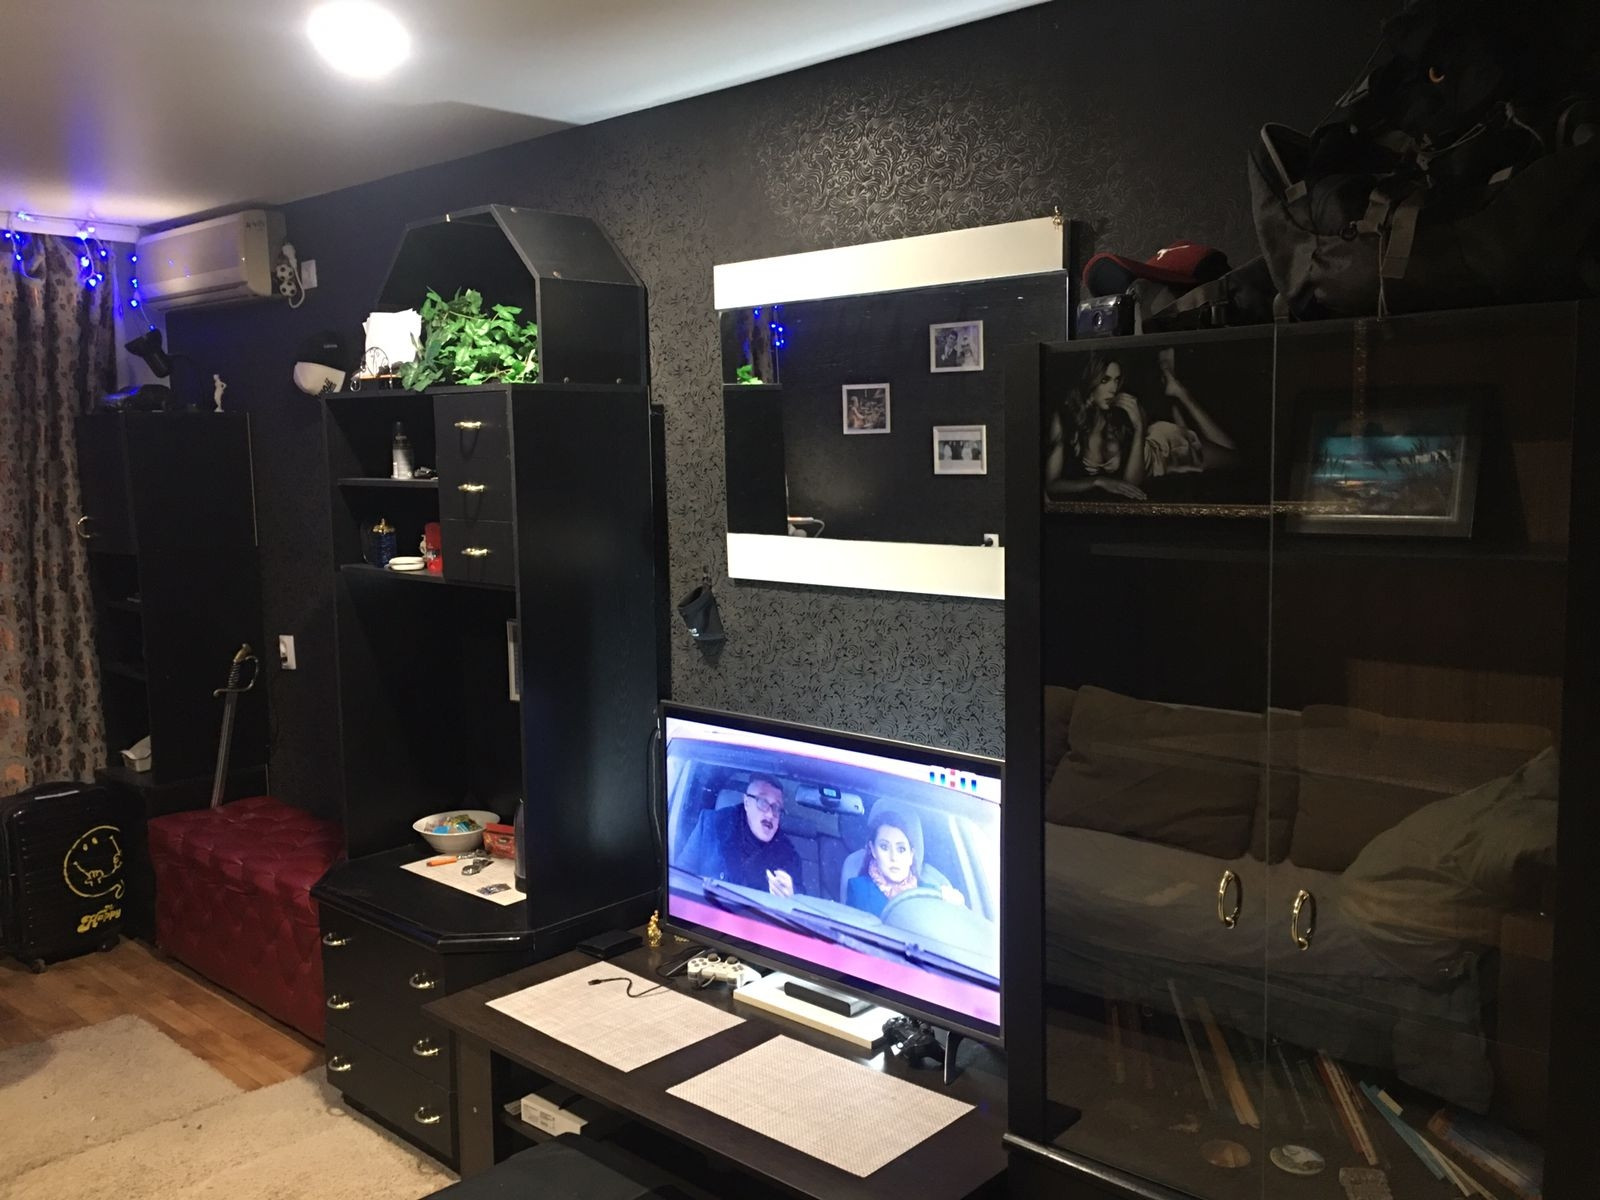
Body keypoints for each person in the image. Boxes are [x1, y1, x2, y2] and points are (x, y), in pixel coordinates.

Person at [680, 775, 801, 898]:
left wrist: (790, 895)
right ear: (747, 803)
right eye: (763, 802)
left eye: (776, 807)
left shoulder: (788, 855)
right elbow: (682, 876)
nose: (770, 814)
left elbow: (801, 900)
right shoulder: (712, 825)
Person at [845, 803, 964, 918]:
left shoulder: (933, 894)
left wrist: (954, 905)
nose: (893, 857)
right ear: (873, 850)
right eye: (884, 847)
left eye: (901, 849)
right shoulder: (858, 889)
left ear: (911, 855)